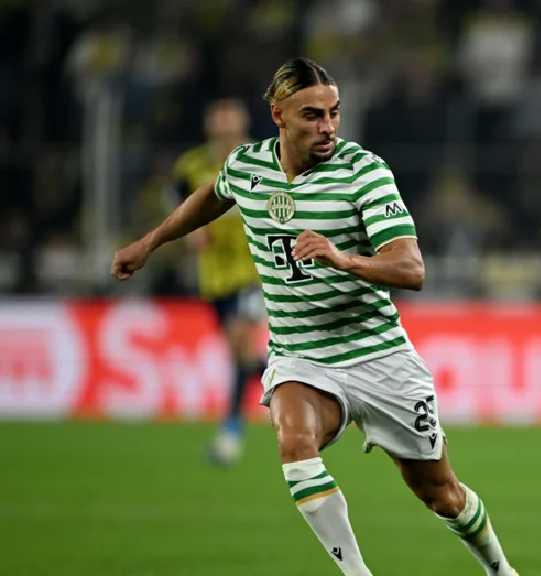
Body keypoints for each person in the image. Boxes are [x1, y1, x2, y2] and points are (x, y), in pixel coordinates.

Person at [113, 57, 517, 576]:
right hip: (301, 355)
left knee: (441, 493)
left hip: (378, 355)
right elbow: (211, 197)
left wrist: (343, 258)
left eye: (334, 113)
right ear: (278, 116)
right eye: (312, 115)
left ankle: (500, 569)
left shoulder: (363, 172)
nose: (327, 126)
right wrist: (150, 243)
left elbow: (411, 268)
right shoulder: (247, 167)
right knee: (295, 443)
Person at [170, 98, 265, 465]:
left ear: (242, 126)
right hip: (214, 276)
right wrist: (189, 230)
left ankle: (231, 432)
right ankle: (311, 388)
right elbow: (177, 205)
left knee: (242, 339)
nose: (225, 130)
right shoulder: (191, 166)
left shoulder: (261, 161)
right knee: (242, 356)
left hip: (256, 271)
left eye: (231, 124)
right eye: (219, 123)